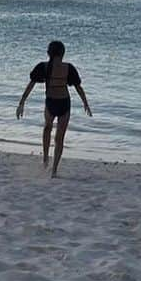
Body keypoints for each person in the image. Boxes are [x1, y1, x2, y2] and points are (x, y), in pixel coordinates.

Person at [16, 40, 92, 178]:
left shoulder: (68, 68)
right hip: (51, 103)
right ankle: (46, 159)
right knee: (49, 129)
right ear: (62, 53)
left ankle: (54, 169)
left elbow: (77, 87)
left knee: (58, 136)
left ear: (49, 53)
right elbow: (31, 84)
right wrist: (22, 102)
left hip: (64, 104)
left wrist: (85, 103)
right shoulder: (43, 67)